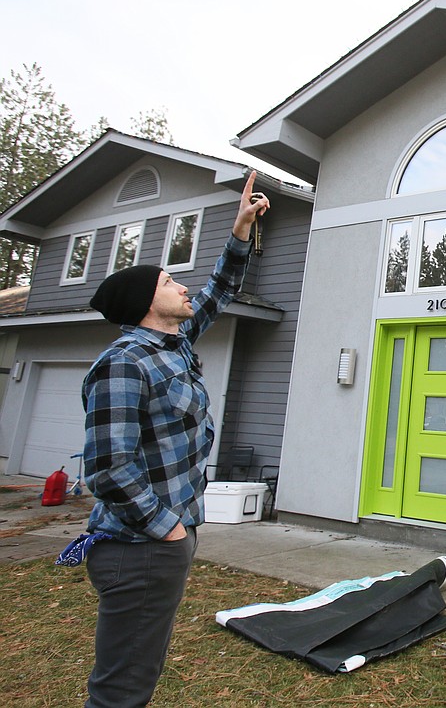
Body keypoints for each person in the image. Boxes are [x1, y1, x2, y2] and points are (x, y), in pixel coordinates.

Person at [79, 171, 269, 707]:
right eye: (167, 281)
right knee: (121, 688)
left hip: (160, 543)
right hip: (138, 546)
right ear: (145, 302)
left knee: (138, 673)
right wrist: (168, 531)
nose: (182, 285)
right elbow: (109, 467)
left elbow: (220, 288)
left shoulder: (173, 346)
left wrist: (240, 229)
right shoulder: (124, 363)